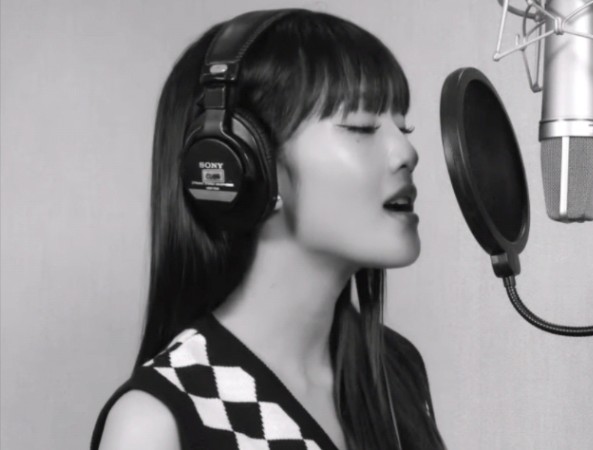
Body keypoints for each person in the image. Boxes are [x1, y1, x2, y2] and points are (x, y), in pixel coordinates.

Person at [91, 8, 445, 450]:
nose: (406, 151)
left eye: (404, 127)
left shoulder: (395, 370)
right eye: (361, 126)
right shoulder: (154, 423)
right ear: (242, 163)